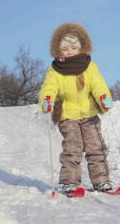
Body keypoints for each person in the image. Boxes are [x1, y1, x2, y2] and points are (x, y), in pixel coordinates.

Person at [39, 22, 114, 194]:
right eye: (64, 48)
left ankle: (101, 180)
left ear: (81, 47)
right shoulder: (56, 69)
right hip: (67, 115)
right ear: (58, 50)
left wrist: (103, 97)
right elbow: (49, 87)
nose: (69, 51)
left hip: (89, 113)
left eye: (73, 47)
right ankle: (69, 182)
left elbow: (98, 84)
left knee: (96, 147)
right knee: (73, 148)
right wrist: (47, 99)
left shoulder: (89, 66)